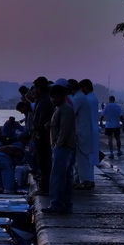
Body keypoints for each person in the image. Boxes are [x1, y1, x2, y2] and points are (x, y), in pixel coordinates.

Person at [42, 83, 76, 215]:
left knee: (57, 177)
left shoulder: (66, 109)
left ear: (63, 96)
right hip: (64, 147)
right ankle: (65, 205)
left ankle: (56, 204)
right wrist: (50, 124)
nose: (54, 99)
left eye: (57, 97)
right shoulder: (59, 109)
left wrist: (57, 144)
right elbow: (59, 125)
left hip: (63, 148)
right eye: (52, 97)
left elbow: (65, 129)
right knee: (65, 178)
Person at [70, 79, 96, 190]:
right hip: (85, 131)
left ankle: (85, 181)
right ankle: (87, 180)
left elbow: (70, 111)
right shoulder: (84, 97)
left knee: (81, 160)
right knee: (84, 159)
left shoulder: (78, 98)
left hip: (81, 132)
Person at [32, 77, 54, 195]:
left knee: (44, 163)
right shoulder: (42, 100)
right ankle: (44, 186)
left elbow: (42, 122)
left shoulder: (45, 101)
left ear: (39, 87)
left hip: (43, 138)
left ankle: (45, 188)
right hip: (42, 137)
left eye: (35, 88)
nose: (34, 90)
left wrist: (38, 134)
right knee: (43, 163)